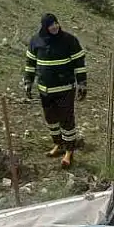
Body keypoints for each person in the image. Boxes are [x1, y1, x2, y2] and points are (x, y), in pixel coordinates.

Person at [23, 13, 87, 168]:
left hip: (65, 89)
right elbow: (30, 63)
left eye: (56, 23)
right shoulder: (35, 41)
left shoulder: (69, 40)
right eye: (51, 25)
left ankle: (69, 151)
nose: (54, 27)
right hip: (45, 90)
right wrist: (28, 82)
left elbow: (79, 62)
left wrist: (82, 83)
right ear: (45, 27)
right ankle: (58, 145)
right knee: (51, 119)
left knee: (66, 120)